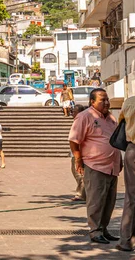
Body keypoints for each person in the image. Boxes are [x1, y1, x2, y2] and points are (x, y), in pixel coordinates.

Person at [69, 88, 121, 245]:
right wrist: (78, 160)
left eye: (107, 99)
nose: (106, 102)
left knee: (109, 201)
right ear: (92, 102)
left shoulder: (111, 118)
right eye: (102, 100)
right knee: (96, 201)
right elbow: (74, 139)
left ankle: (103, 229)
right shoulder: (84, 116)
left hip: (112, 166)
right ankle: (95, 231)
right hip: (95, 165)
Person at [117, 95, 135, 252]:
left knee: (131, 196)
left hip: (133, 150)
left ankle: (126, 241)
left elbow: (120, 122)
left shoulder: (129, 102)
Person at [70, 104, 86, 202]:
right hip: (75, 153)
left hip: (79, 154)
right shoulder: (77, 122)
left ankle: (81, 194)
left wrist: (78, 157)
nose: (72, 113)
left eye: (74, 111)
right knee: (77, 173)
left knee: (80, 174)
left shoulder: (81, 122)